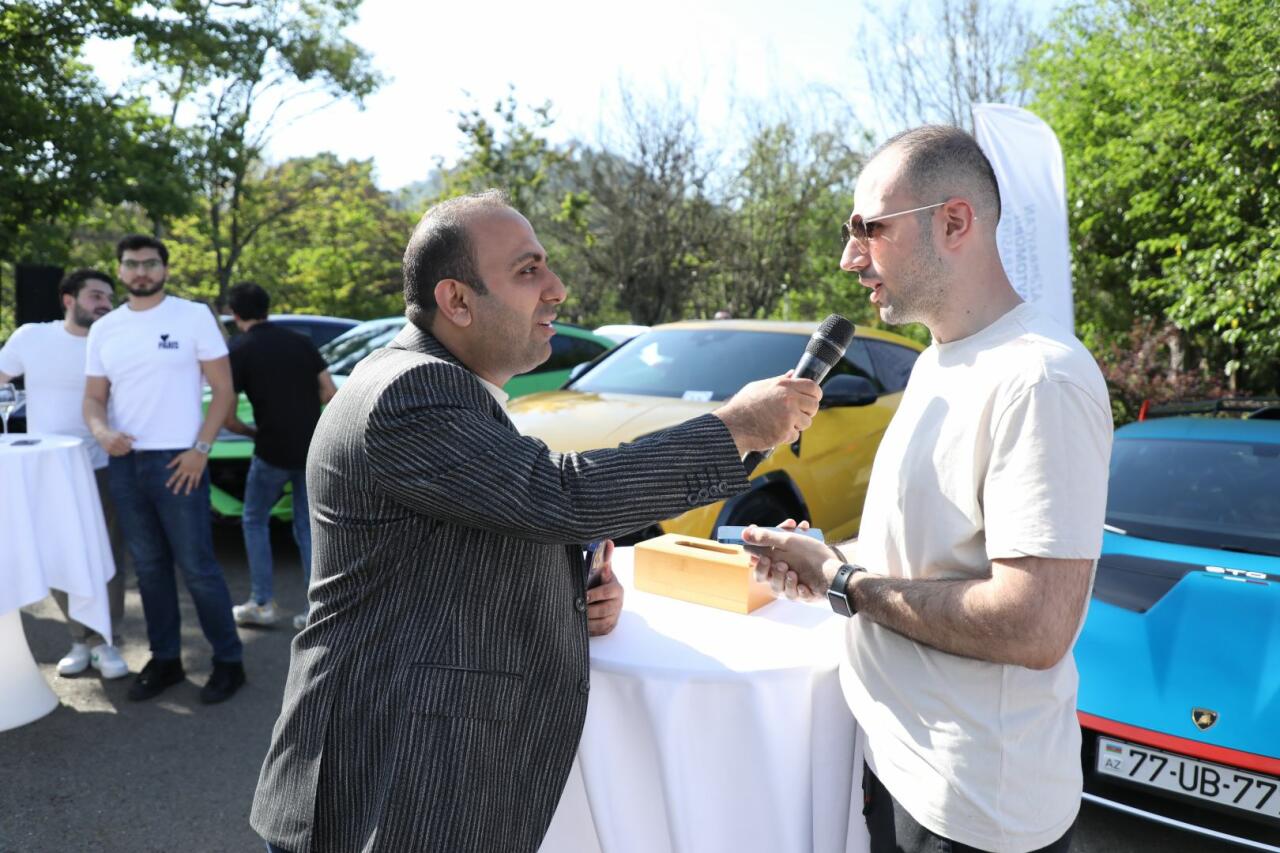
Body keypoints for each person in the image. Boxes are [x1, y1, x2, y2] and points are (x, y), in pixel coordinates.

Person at [250, 190, 821, 853]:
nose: (557, 288)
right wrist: (736, 427)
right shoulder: (412, 391)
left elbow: (481, 526)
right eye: (528, 270)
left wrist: (573, 587)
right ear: (456, 300)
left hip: (408, 775)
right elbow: (560, 495)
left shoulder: (443, 384)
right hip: (387, 784)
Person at [744, 126, 1112, 853]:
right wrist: (825, 559)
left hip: (974, 812)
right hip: (901, 767)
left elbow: (1036, 624)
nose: (850, 257)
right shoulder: (937, 362)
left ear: (954, 222)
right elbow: (929, 553)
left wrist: (843, 583)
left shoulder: (1041, 379)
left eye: (869, 229)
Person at [83, 234, 247, 705]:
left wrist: (201, 449)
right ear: (120, 270)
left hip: (181, 460)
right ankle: (166, 659)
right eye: (132, 264)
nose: (141, 272)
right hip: (125, 462)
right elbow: (93, 398)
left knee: (197, 567)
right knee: (149, 569)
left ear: (165, 269)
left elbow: (224, 390)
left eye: (150, 263)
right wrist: (101, 431)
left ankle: (229, 662)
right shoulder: (105, 328)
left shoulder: (192, 316)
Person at [0, 269, 129, 679]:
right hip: (46, 471)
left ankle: (106, 641)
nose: (105, 304)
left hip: (103, 465)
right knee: (57, 554)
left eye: (109, 297)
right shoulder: (31, 337)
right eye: (96, 295)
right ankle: (80, 639)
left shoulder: (116, 341)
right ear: (68, 300)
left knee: (105, 554)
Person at [222, 282, 337, 631]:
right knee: (307, 526)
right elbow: (330, 393)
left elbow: (228, 417)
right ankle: (317, 609)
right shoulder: (300, 342)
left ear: (235, 314)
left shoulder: (239, 349)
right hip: (311, 448)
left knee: (254, 519)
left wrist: (251, 432)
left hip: (270, 449)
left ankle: (261, 602)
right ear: (267, 308)